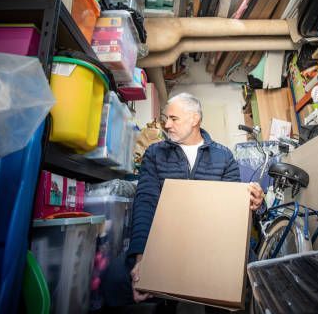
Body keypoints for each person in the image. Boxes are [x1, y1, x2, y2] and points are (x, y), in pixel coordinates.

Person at [101, 92, 264, 307]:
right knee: (114, 278)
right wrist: (142, 259)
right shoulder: (154, 154)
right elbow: (146, 204)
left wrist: (255, 203)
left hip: (212, 243)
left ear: (194, 119)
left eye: (173, 118)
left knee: (251, 276)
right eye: (165, 118)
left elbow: (232, 212)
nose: (166, 125)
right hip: (167, 241)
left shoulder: (223, 157)